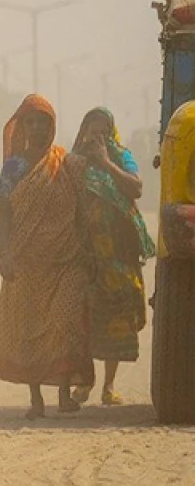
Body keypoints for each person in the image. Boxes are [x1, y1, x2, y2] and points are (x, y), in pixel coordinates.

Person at [0, 94, 94, 419]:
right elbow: (4, 213)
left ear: (52, 127)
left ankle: (64, 395)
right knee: (28, 330)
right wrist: (4, 255)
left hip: (66, 261)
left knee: (64, 325)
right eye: (31, 122)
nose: (37, 128)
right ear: (22, 126)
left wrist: (87, 250)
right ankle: (36, 399)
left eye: (44, 123)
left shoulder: (66, 164)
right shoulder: (13, 167)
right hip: (26, 263)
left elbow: (82, 210)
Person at [69, 107, 155, 406]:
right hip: (86, 254)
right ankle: (85, 383)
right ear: (83, 131)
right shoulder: (72, 162)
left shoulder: (121, 157)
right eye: (93, 130)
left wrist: (105, 162)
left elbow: (137, 187)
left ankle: (109, 386)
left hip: (118, 255)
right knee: (84, 320)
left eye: (104, 131)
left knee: (116, 318)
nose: (98, 135)